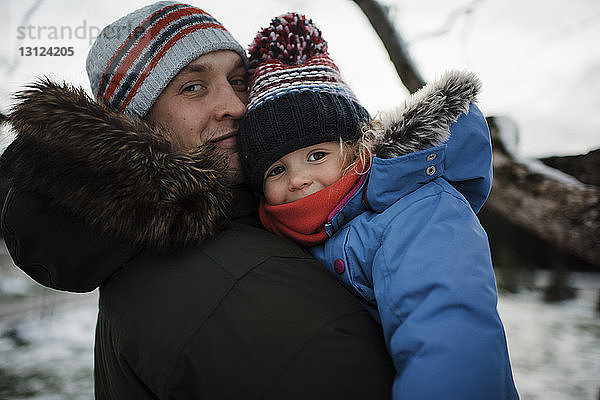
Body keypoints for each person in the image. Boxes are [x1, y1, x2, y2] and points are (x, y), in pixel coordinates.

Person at [0, 2, 395, 398]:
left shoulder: (182, 237)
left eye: (239, 81)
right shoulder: (233, 281)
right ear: (134, 124)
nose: (237, 106)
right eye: (193, 87)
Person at [238, 13, 519, 399]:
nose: (298, 179)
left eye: (317, 155)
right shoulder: (282, 241)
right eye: (276, 169)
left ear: (356, 151)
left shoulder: (420, 211)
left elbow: (450, 339)